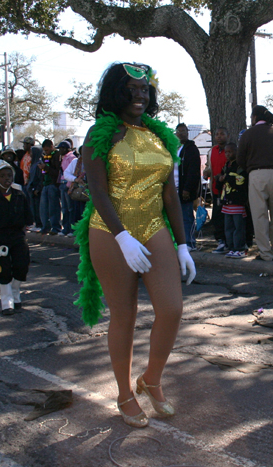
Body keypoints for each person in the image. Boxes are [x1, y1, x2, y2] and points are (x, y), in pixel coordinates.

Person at [75, 62, 195, 428]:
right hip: (111, 232)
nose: (139, 95)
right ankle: (125, 394)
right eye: (131, 88)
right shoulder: (102, 133)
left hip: (154, 226)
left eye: (145, 89)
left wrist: (183, 244)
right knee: (124, 316)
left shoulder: (159, 136)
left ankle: (151, 379)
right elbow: (96, 190)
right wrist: (122, 236)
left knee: (172, 309)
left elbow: (170, 194)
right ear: (117, 91)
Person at [0, 161, 34, 315]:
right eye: (2, 176)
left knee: (21, 266)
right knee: (4, 269)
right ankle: (7, 302)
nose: (7, 179)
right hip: (0, 238)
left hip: (17, 237)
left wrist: (23, 237)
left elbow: (27, 219)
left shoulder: (19, 195)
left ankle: (16, 292)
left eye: (9, 175)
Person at [237, 105, 273, 262]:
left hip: (257, 174)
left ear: (254, 117)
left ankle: (265, 253)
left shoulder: (248, 134)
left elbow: (240, 158)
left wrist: (250, 170)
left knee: (259, 216)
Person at [174, 123, 201, 249]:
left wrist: (187, 188)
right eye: (179, 131)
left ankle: (190, 242)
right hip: (173, 189)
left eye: (183, 131)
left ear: (187, 133)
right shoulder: (175, 148)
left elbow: (193, 171)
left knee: (187, 217)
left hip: (184, 189)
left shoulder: (191, 149)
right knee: (176, 218)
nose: (181, 133)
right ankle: (179, 242)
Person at [220, 142, 248, 258]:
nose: (227, 154)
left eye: (230, 151)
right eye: (226, 152)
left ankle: (240, 248)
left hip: (237, 202)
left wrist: (227, 177)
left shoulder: (240, 166)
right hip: (227, 203)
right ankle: (231, 247)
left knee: (238, 228)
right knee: (228, 228)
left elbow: (241, 181)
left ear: (236, 152)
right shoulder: (226, 166)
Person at [203, 127, 228, 253]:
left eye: (222, 134)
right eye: (217, 134)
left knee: (229, 217)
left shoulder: (231, 150)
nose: (219, 136)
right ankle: (221, 241)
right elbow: (209, 167)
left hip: (229, 191)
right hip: (216, 190)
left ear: (227, 136)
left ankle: (231, 241)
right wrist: (206, 172)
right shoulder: (212, 151)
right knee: (217, 216)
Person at [38, 139, 62, 235]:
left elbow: (57, 172)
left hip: (53, 184)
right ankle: (45, 227)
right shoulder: (45, 157)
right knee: (43, 208)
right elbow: (44, 173)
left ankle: (55, 227)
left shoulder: (57, 155)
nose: (46, 152)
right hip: (45, 184)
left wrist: (46, 167)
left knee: (53, 207)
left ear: (52, 147)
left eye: (47, 150)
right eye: (44, 151)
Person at [57, 141, 76, 236]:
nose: (59, 150)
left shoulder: (71, 158)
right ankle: (65, 228)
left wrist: (69, 185)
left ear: (65, 148)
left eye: (61, 148)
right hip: (63, 183)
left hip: (68, 184)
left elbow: (72, 172)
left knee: (70, 208)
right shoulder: (63, 158)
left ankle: (72, 229)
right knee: (64, 208)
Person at [26, 145, 44, 230]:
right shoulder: (33, 163)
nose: (31, 154)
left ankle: (40, 224)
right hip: (31, 189)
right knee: (33, 207)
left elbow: (41, 178)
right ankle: (36, 223)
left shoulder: (39, 164)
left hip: (37, 190)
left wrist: (38, 188)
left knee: (38, 208)